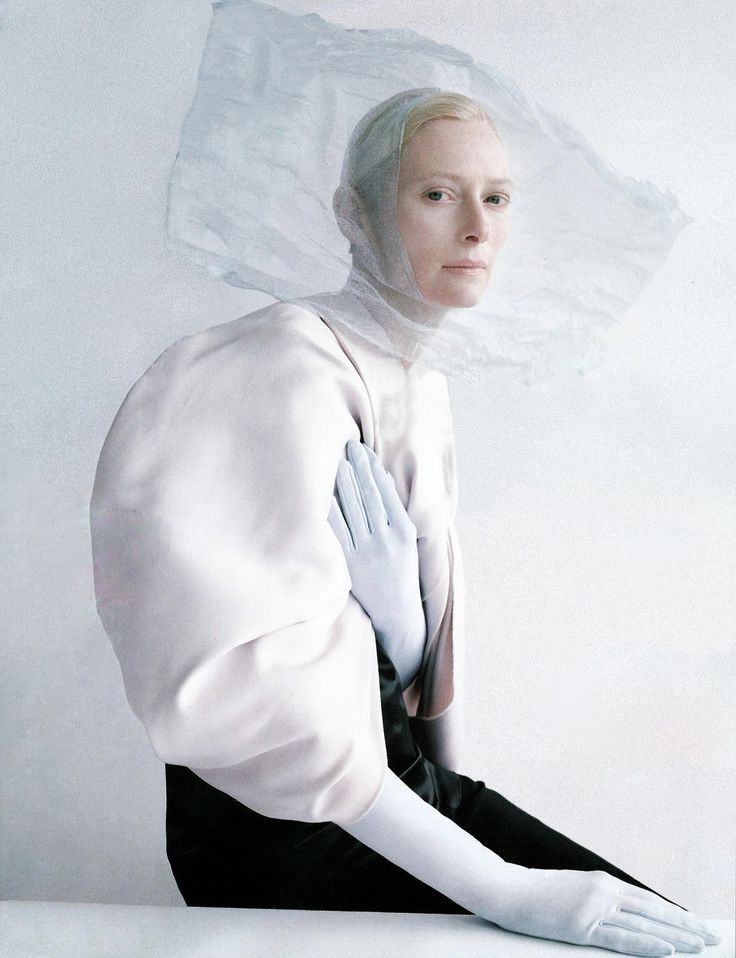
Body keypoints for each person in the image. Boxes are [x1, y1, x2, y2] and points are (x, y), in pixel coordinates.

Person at [91, 89, 720, 955]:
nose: (476, 229)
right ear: (354, 213)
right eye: (436, 194)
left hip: (399, 790)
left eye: (496, 198)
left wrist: (400, 621)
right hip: (285, 830)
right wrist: (503, 888)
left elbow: (402, 692)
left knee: (687, 937)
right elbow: (237, 692)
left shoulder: (420, 386)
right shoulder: (280, 365)